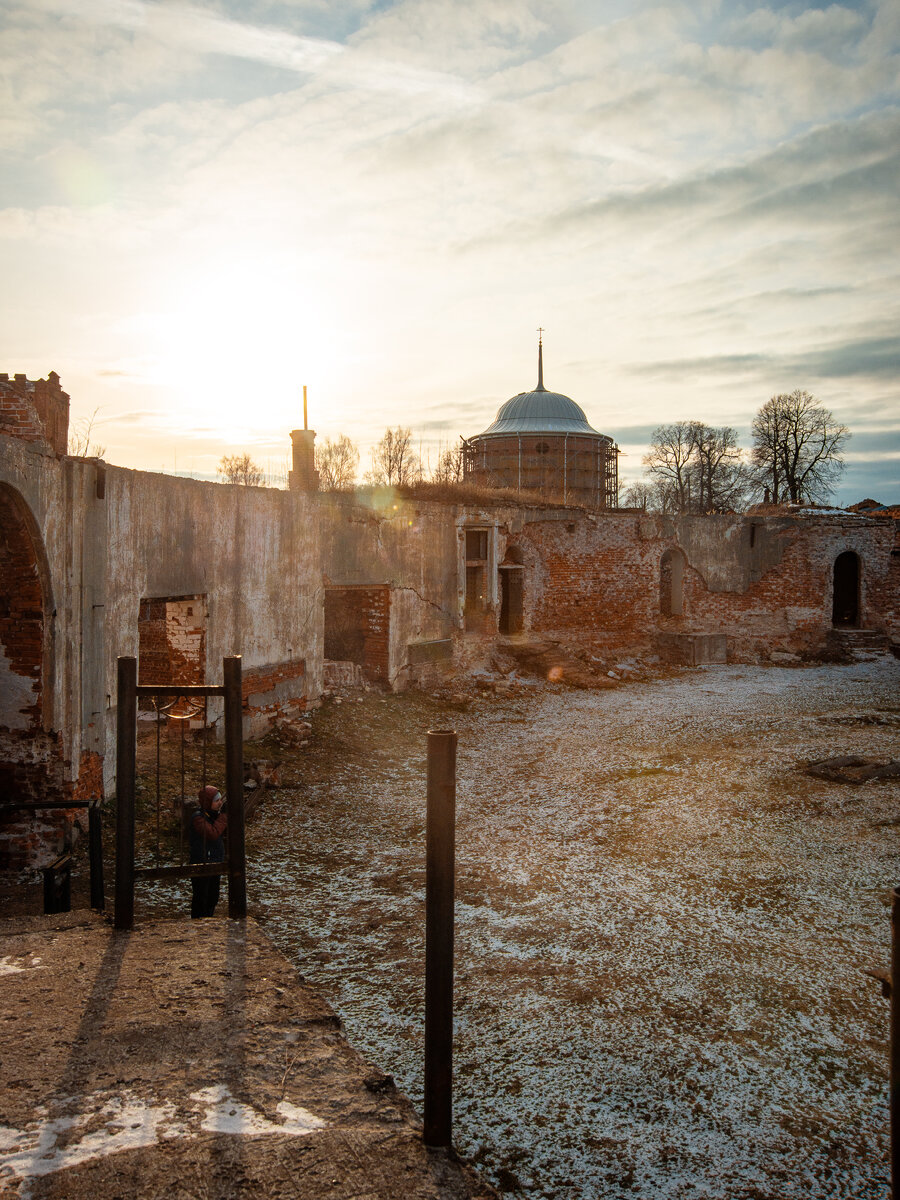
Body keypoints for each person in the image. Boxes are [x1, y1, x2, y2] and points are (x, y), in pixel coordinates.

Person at [188, 784, 227, 918]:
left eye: (220, 800)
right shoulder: (198, 818)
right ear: (207, 803)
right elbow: (213, 833)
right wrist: (224, 817)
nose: (220, 803)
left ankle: (208, 920)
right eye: (216, 801)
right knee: (201, 897)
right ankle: (198, 922)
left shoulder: (213, 816)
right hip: (202, 863)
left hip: (215, 862)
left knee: (212, 897)